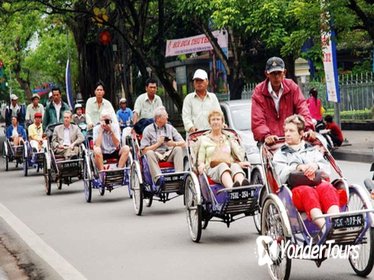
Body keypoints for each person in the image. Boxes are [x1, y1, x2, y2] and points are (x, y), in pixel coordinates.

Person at [272, 114, 339, 231]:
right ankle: (325, 228)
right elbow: (280, 176)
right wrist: (297, 167)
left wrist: (315, 165)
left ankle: (336, 223)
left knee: (327, 187)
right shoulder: (280, 154)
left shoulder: (312, 150)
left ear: (301, 133)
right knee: (307, 191)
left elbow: (327, 171)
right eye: (286, 130)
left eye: (291, 131)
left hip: (316, 184)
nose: (287, 134)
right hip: (294, 191)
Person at [251, 57, 315, 145]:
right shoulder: (259, 92)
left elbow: (303, 109)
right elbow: (257, 119)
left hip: (292, 140)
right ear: (267, 74)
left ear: (284, 72)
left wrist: (308, 128)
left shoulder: (292, 87)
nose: (276, 77)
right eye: (273, 73)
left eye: (279, 73)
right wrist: (266, 135)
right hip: (270, 144)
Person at [197, 110, 251, 189]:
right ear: (209, 122)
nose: (216, 122)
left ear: (222, 122)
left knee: (235, 166)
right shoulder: (204, 139)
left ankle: (242, 188)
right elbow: (200, 160)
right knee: (223, 166)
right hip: (212, 168)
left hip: (230, 165)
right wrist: (201, 165)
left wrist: (240, 162)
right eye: (213, 119)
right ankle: (232, 189)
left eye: (218, 119)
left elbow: (233, 156)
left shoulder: (228, 138)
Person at [140, 106, 185, 185]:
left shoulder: (170, 128)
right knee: (149, 153)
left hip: (168, 153)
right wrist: (158, 144)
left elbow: (184, 143)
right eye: (165, 115)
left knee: (178, 148)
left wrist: (174, 143)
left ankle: (178, 176)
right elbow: (143, 151)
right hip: (155, 155)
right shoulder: (147, 130)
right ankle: (158, 179)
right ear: (158, 118)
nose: (167, 117)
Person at [182, 69, 221, 133]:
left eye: (201, 81)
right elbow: (186, 117)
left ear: (207, 82)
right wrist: (191, 127)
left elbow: (218, 114)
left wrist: (221, 124)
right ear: (194, 83)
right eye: (197, 81)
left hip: (211, 135)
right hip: (194, 136)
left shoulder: (213, 97)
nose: (199, 83)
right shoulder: (188, 98)